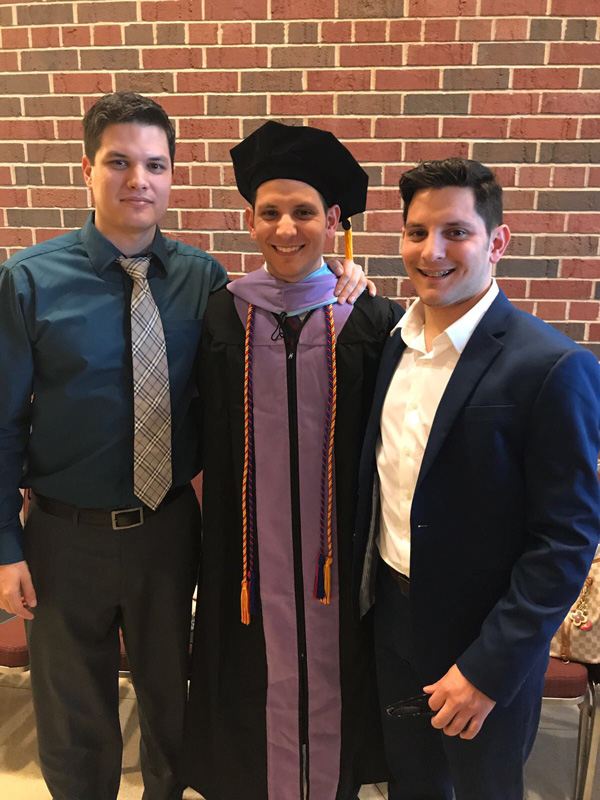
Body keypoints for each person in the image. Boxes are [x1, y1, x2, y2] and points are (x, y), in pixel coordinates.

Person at [0, 93, 369, 800]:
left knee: (173, 708)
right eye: (119, 162)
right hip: (60, 536)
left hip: (168, 530)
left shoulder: (206, 283)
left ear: (172, 177)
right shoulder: (28, 282)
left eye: (155, 164)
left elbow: (284, 315)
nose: (137, 178)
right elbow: (2, 422)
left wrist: (344, 282)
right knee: (74, 720)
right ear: (88, 170)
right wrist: (4, 548)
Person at [353, 157, 600, 800]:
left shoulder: (551, 365)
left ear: (496, 241)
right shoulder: (390, 344)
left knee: (484, 790)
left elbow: (565, 539)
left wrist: (489, 669)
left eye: (455, 232)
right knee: (410, 784)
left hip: (482, 642)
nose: (431, 251)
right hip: (392, 623)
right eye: (415, 231)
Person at [180, 121, 401, 800]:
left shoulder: (370, 321)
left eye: (304, 212)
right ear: (249, 220)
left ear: (334, 221)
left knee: (340, 676)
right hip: (247, 560)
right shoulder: (222, 317)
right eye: (269, 212)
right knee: (250, 686)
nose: (285, 229)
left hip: (341, 558)